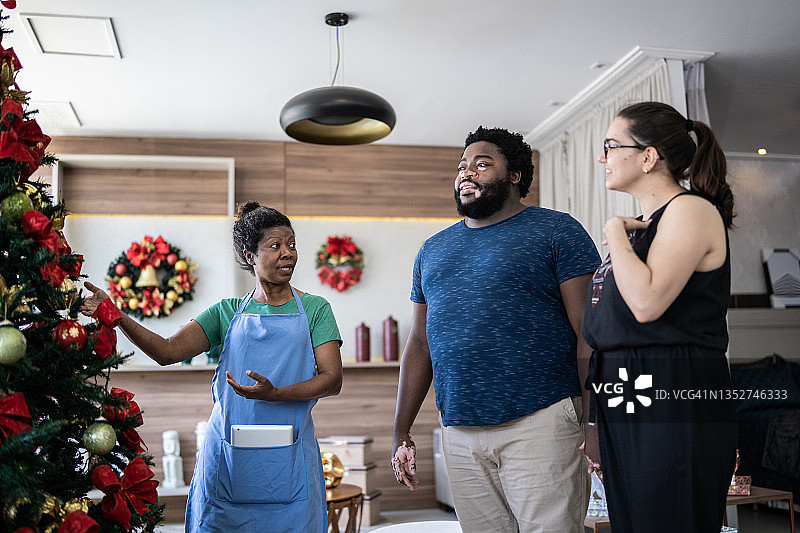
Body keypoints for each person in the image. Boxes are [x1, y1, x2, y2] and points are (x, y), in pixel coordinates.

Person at [81, 203, 343, 533]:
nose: (288, 254)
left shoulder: (316, 309)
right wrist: (117, 316)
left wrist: (276, 394)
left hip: (292, 460)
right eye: (275, 246)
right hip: (227, 460)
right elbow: (166, 351)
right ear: (250, 255)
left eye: (291, 244)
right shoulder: (226, 312)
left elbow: (332, 379)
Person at [391, 126, 600, 533]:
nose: (467, 172)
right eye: (462, 166)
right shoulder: (432, 249)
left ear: (515, 175)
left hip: (542, 421)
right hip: (460, 431)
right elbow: (419, 343)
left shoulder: (557, 230)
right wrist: (401, 430)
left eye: (482, 163)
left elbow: (589, 332)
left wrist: (595, 423)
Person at [582, 102, 737, 533]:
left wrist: (613, 230)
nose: (602, 157)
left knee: (668, 518)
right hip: (627, 386)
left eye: (610, 146)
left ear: (648, 156)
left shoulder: (690, 210)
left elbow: (646, 304)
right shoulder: (646, 225)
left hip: (672, 385)